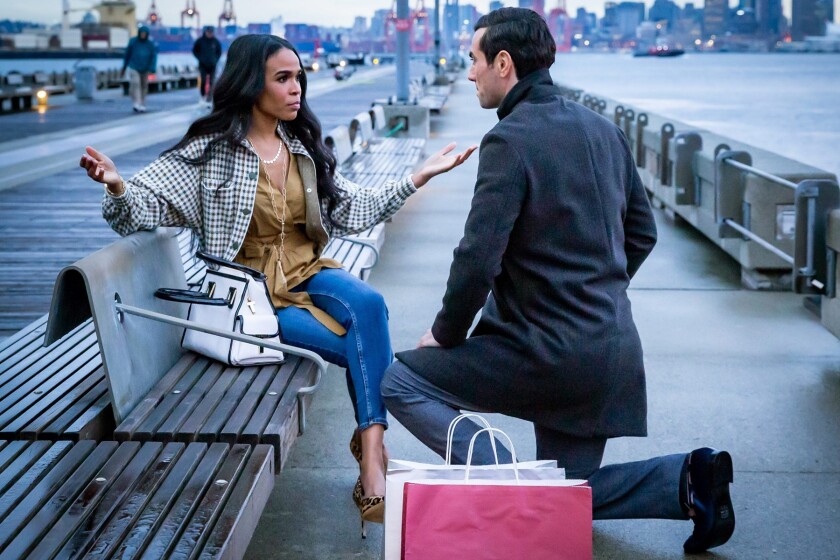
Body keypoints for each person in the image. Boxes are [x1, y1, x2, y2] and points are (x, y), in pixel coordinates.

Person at [80, 34, 475, 535]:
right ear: (251, 85)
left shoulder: (300, 148)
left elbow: (351, 210)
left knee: (369, 306)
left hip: (310, 272)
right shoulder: (211, 154)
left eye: (299, 78)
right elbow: (139, 206)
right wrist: (116, 183)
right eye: (283, 78)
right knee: (353, 341)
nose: (296, 90)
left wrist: (416, 178)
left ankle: (372, 452)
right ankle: (373, 457)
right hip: (251, 298)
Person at [381, 7, 735, 554]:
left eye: (473, 61)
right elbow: (642, 235)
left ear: (504, 63)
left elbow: (477, 260)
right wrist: (595, 292)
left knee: (399, 382)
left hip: (544, 353)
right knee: (571, 494)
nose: (468, 73)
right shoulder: (604, 129)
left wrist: (446, 335)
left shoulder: (509, 141)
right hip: (608, 349)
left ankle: (506, 487)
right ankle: (688, 481)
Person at [122, 25, 158, 113]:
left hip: (145, 68)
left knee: (144, 86)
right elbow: (127, 55)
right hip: (134, 66)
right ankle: (136, 103)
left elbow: (153, 57)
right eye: (142, 33)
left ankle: (142, 103)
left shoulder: (150, 44)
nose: (143, 35)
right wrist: (124, 67)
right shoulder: (133, 42)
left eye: (144, 33)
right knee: (135, 83)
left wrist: (152, 68)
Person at [193, 26, 222, 103]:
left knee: (212, 81)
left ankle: (209, 97)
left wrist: (216, 60)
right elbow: (195, 51)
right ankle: (203, 96)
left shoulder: (215, 42)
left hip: (213, 64)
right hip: (203, 64)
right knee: (203, 80)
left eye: (211, 32)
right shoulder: (200, 41)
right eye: (208, 32)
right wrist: (200, 58)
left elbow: (219, 52)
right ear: (205, 32)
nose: (210, 34)